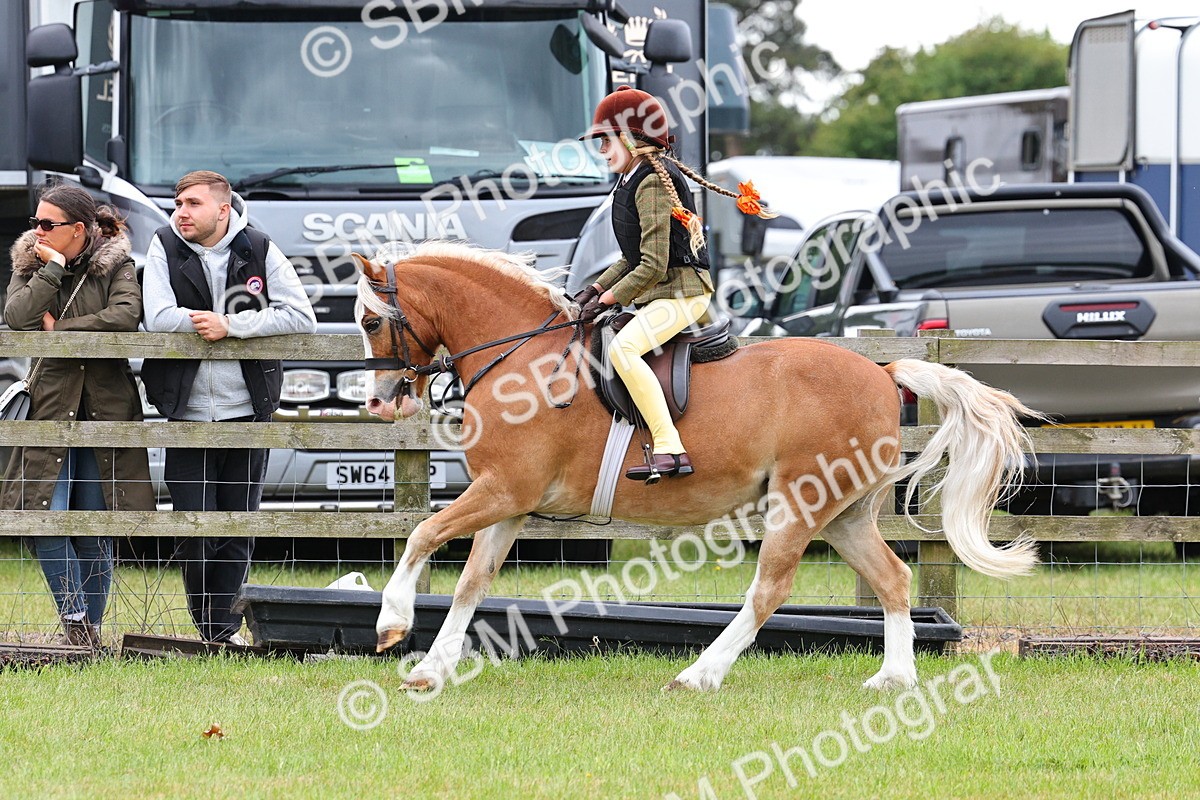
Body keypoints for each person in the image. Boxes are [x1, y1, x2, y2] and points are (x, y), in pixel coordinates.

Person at [141, 170, 316, 644]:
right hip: (186, 414)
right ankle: (211, 631)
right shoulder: (163, 245)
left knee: (238, 529)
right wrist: (209, 324)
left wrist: (232, 326)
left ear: (223, 209)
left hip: (247, 413)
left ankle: (224, 631)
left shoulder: (258, 247)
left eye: (192, 204)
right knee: (196, 533)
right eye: (178, 203)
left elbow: (302, 316)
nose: (181, 212)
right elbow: (156, 317)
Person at [576, 86, 775, 481]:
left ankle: (669, 447)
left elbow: (652, 265)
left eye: (605, 139)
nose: (600, 149)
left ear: (631, 137)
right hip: (662, 291)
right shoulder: (633, 179)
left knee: (625, 351)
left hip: (683, 293)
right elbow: (630, 258)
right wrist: (595, 290)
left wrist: (611, 297)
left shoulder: (650, 182)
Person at [1, 183, 155, 648]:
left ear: (79, 229)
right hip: (50, 408)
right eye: (36, 222)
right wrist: (52, 267)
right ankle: (75, 619)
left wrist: (62, 329)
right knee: (44, 516)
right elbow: (18, 316)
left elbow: (126, 315)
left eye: (48, 224)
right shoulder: (31, 261)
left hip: (106, 412)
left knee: (94, 523)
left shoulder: (117, 262)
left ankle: (90, 632)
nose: (38, 230)